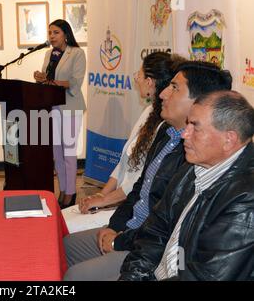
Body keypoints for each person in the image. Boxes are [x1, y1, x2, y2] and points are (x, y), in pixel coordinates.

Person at [63, 61, 233, 281]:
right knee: (66, 245)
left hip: (148, 248)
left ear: (198, 102)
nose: (162, 94)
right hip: (128, 230)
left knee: (77, 276)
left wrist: (119, 240)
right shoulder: (165, 132)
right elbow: (139, 189)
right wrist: (114, 227)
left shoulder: (198, 154)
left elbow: (166, 226)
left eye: (174, 88)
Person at [120, 90, 254, 281]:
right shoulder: (191, 167)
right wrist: (132, 277)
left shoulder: (247, 197)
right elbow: (154, 232)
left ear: (229, 139)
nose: (184, 134)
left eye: (194, 126)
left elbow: (206, 276)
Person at [77, 52, 186, 214]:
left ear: (149, 82)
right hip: (120, 201)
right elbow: (123, 164)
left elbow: (140, 181)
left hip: (130, 205)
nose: (136, 78)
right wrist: (101, 194)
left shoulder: (165, 126)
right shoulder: (148, 112)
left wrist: (104, 200)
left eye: (139, 74)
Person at [33, 19, 86, 209]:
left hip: (70, 107)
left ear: (65, 34)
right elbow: (49, 79)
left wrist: (50, 81)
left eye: (55, 32)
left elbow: (74, 82)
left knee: (69, 153)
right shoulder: (49, 54)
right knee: (57, 153)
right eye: (49, 33)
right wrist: (40, 78)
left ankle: (71, 192)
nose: (52, 36)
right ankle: (62, 189)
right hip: (52, 107)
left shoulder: (77, 53)